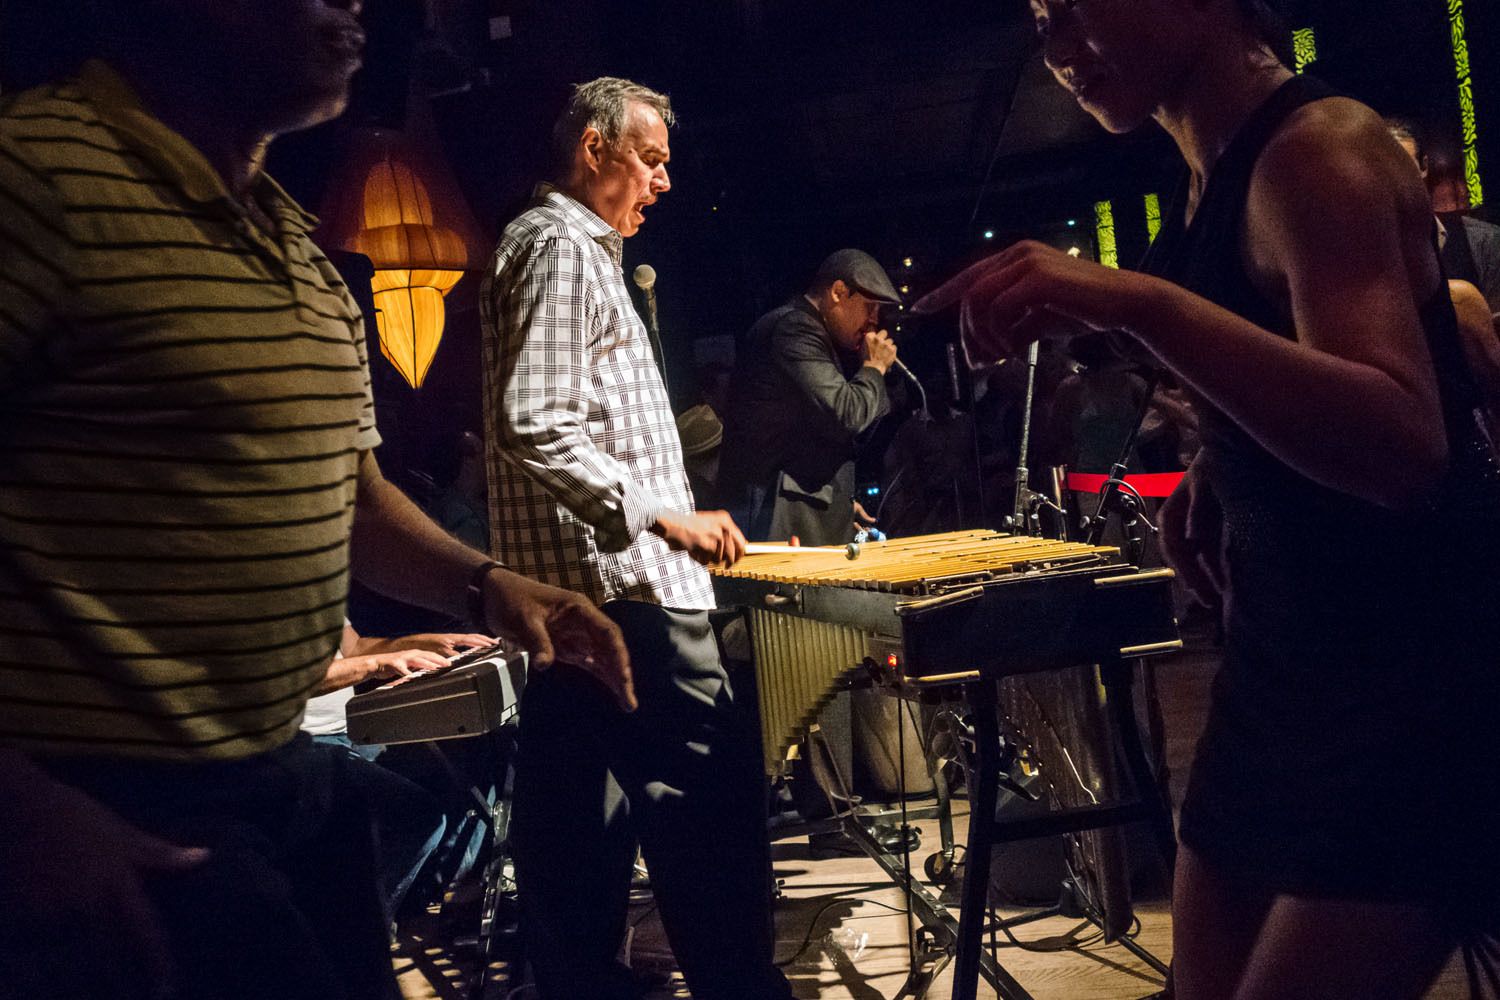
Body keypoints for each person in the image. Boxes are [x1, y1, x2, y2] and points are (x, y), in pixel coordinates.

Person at [0, 4, 632, 999]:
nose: (353, 4)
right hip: (114, 798)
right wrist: (24, 813)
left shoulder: (296, 241)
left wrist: (490, 585)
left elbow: (358, 503)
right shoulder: (36, 179)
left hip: (278, 770)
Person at [916, 1, 1500, 997]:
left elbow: (1406, 443)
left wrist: (1137, 301)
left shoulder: (1317, 150)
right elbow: (1300, 364)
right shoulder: (1211, 173)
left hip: (1409, 678)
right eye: (1041, 18)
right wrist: (1222, 470)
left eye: (1077, 6)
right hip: (1282, 662)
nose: (1055, 48)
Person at [479, 77, 791, 1000]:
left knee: (577, 837)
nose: (663, 181)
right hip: (630, 592)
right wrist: (662, 515)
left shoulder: (557, 247)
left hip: (581, 603)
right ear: (594, 148)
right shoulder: (562, 246)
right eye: (650, 159)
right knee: (711, 827)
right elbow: (535, 420)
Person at [722, 249, 901, 544]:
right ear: (838, 292)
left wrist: (839, 505)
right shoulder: (795, 329)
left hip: (796, 510)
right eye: (869, 307)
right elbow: (846, 414)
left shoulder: (809, 333)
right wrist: (874, 368)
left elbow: (826, 434)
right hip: (776, 516)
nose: (874, 322)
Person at [1388, 119, 1500, 316]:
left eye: (1405, 167)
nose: (1395, 180)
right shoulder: (1357, 246)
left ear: (1424, 166)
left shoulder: (1482, 240)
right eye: (1382, 170)